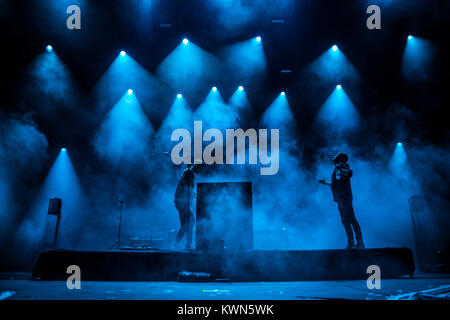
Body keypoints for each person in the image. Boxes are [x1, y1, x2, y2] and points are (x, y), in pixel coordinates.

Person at [325, 152, 365, 249]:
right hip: (341, 198)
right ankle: (352, 243)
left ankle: (358, 242)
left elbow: (347, 173)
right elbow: (337, 183)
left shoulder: (341, 166)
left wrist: (342, 169)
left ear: (340, 158)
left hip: (344, 198)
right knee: (346, 221)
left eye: (337, 156)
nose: (334, 157)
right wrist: (325, 183)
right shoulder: (339, 167)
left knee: (351, 219)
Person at [174, 163, 202, 249]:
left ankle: (184, 244)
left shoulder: (188, 172)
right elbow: (187, 187)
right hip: (182, 202)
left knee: (186, 224)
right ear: (197, 167)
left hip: (181, 202)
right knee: (190, 222)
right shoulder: (190, 173)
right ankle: (182, 244)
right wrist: (198, 194)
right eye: (200, 169)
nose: (201, 171)